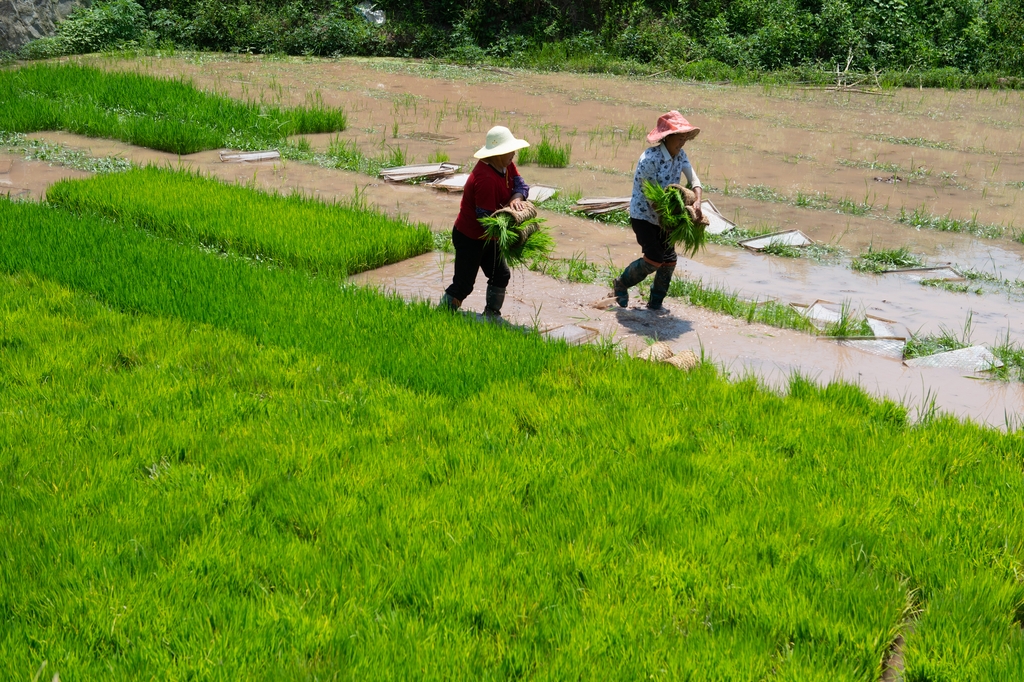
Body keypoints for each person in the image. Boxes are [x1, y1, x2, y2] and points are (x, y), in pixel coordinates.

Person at [614, 110, 704, 311]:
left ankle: (655, 305)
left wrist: (697, 201)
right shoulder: (649, 159)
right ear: (667, 138)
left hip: (665, 218)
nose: (682, 143)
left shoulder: (681, 155)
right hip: (644, 216)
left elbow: (694, 180)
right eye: (679, 138)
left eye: (684, 139)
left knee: (669, 261)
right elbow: (652, 199)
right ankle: (621, 283)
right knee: (654, 258)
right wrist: (674, 217)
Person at [439, 126, 531, 318]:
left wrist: (516, 198)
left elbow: (521, 185)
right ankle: (441, 316)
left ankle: (491, 316)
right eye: (510, 150)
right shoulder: (485, 178)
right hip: (471, 237)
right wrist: (513, 237)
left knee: (501, 275)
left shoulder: (506, 166)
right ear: (498, 154)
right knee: (463, 285)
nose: (514, 153)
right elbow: (486, 221)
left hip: (489, 237)